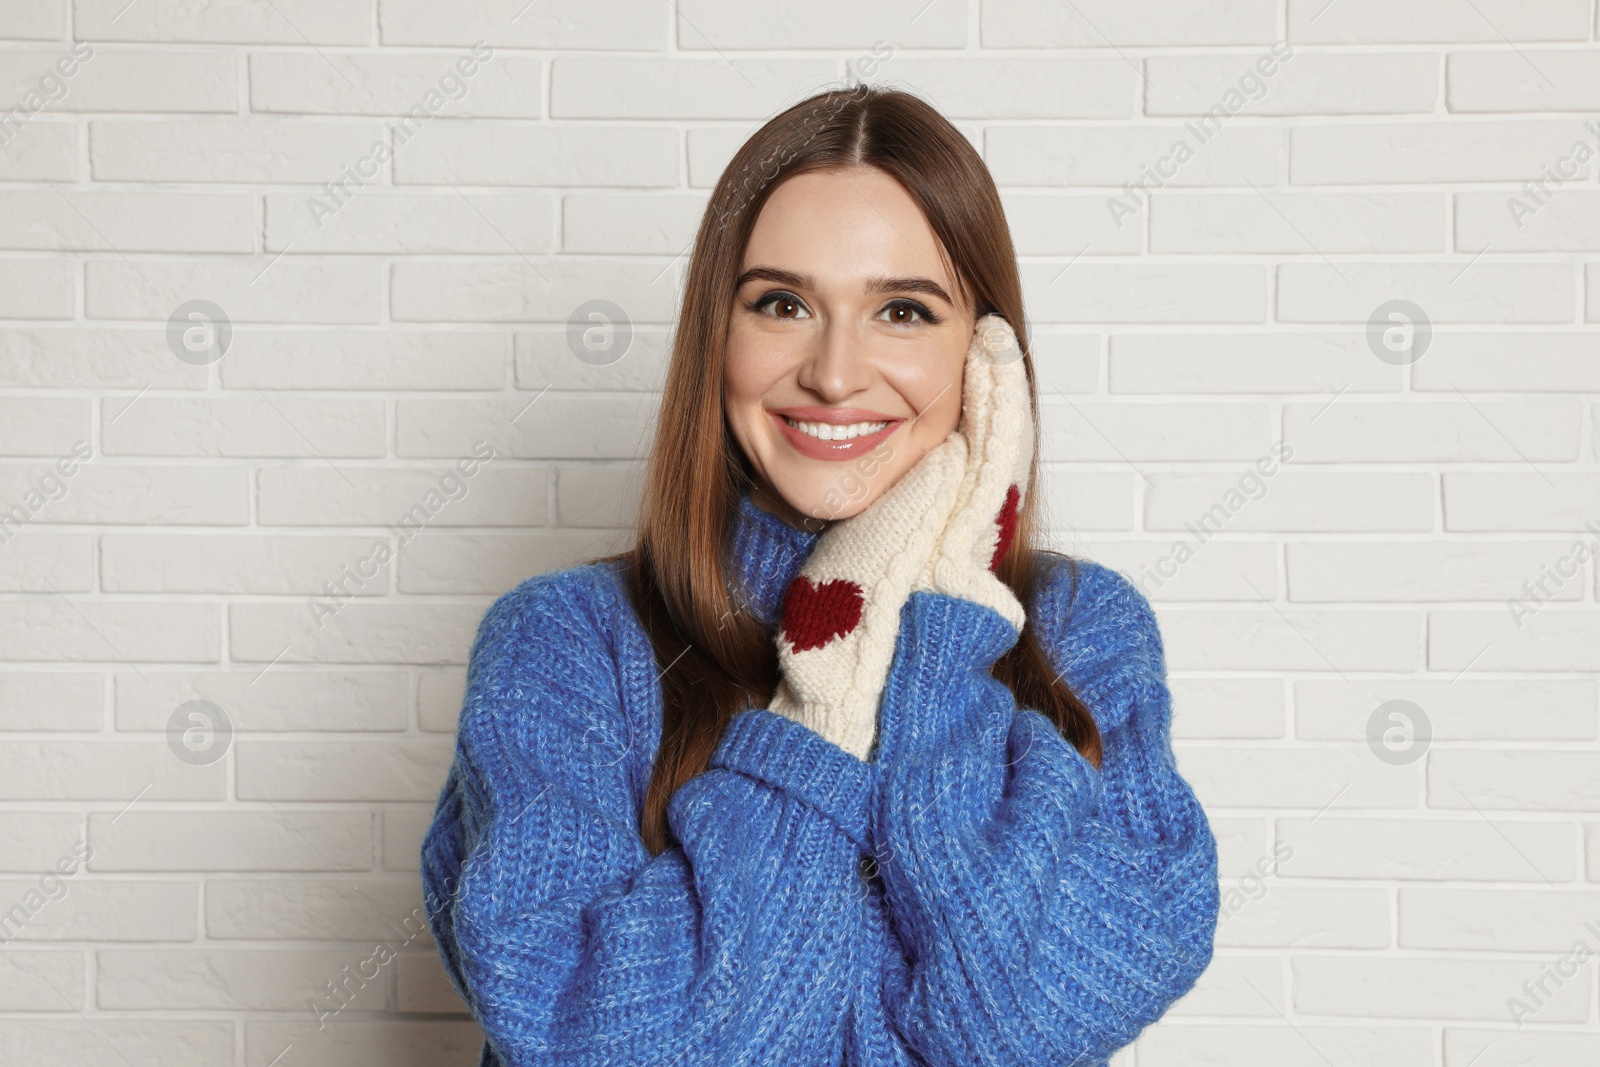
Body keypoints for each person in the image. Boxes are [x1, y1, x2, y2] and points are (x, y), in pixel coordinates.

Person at [420, 84, 1220, 1067]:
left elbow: (1022, 1022)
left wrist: (938, 614)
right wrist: (825, 699)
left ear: (985, 355)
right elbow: (611, 1044)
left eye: (902, 310)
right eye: (782, 303)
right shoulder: (564, 642)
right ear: (717, 333)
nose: (834, 373)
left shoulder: (1082, 630)